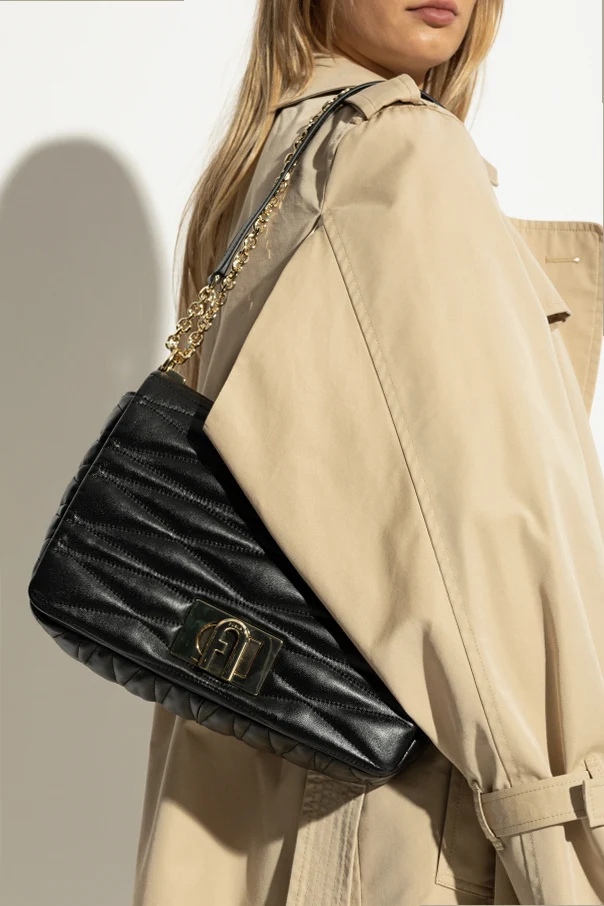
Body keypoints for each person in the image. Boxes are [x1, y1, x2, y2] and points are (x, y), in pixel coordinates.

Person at [132, 1, 604, 903]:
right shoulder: (398, 153)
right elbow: (483, 554)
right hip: (390, 831)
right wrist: (570, 846)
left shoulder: (269, 162)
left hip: (267, 813)